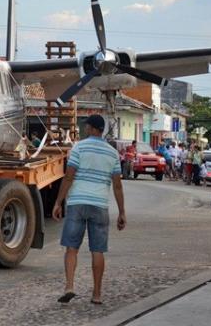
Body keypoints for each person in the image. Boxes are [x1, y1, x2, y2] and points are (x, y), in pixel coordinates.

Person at [52, 114, 126, 304]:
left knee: (71, 248)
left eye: (87, 127)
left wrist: (58, 202)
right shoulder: (112, 153)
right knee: (98, 250)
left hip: (77, 202)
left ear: (92, 128)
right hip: (100, 205)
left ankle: (69, 286)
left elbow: (68, 178)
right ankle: (97, 294)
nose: (85, 129)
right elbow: (117, 186)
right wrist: (122, 212)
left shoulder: (79, 148)